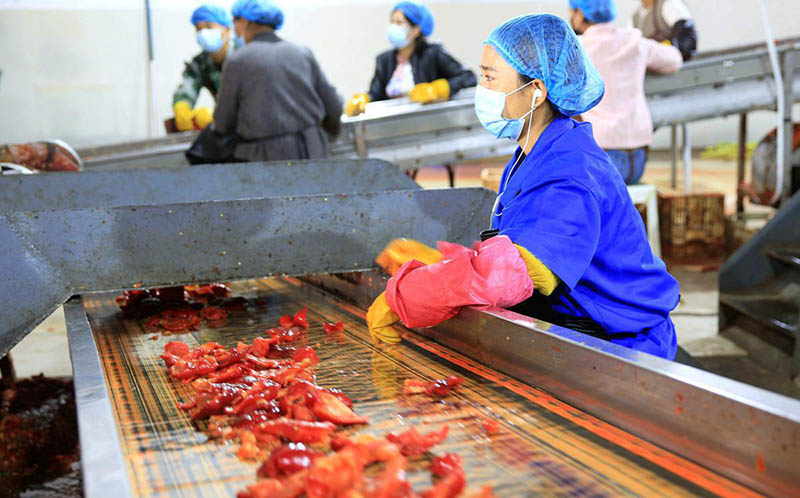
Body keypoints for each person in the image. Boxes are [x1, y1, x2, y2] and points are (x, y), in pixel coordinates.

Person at [366, 14, 682, 361]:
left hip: (620, 348)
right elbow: (517, 244)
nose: (481, 91)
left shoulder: (570, 174)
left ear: (535, 90)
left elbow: (516, 271)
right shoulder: (535, 154)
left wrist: (407, 296)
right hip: (574, 326)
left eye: (490, 77)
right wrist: (440, 263)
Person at [213, 0, 343, 161]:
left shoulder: (237, 61)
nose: (235, 31)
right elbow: (334, 106)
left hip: (265, 158)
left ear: (246, 21)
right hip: (312, 152)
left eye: (235, 23)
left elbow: (223, 122)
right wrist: (327, 134)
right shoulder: (302, 53)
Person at [570, 0, 682, 184]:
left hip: (601, 158)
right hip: (637, 161)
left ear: (581, 14)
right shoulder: (635, 41)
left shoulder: (577, 48)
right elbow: (675, 59)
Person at [345, 1, 477, 116]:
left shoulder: (432, 54)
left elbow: (468, 77)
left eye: (399, 23)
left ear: (416, 30)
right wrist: (364, 99)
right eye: (392, 22)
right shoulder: (384, 60)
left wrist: (438, 90)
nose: (393, 27)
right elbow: (376, 93)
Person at [173, 4, 235, 132]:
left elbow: (254, 103)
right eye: (198, 28)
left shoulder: (244, 57)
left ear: (227, 30)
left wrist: (217, 115)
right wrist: (181, 107)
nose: (203, 33)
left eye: (208, 27)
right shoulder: (201, 62)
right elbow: (188, 86)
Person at [632, 0, 697, 61]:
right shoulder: (636, 17)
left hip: (674, 66)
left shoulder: (668, 3)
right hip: (651, 68)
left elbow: (687, 36)